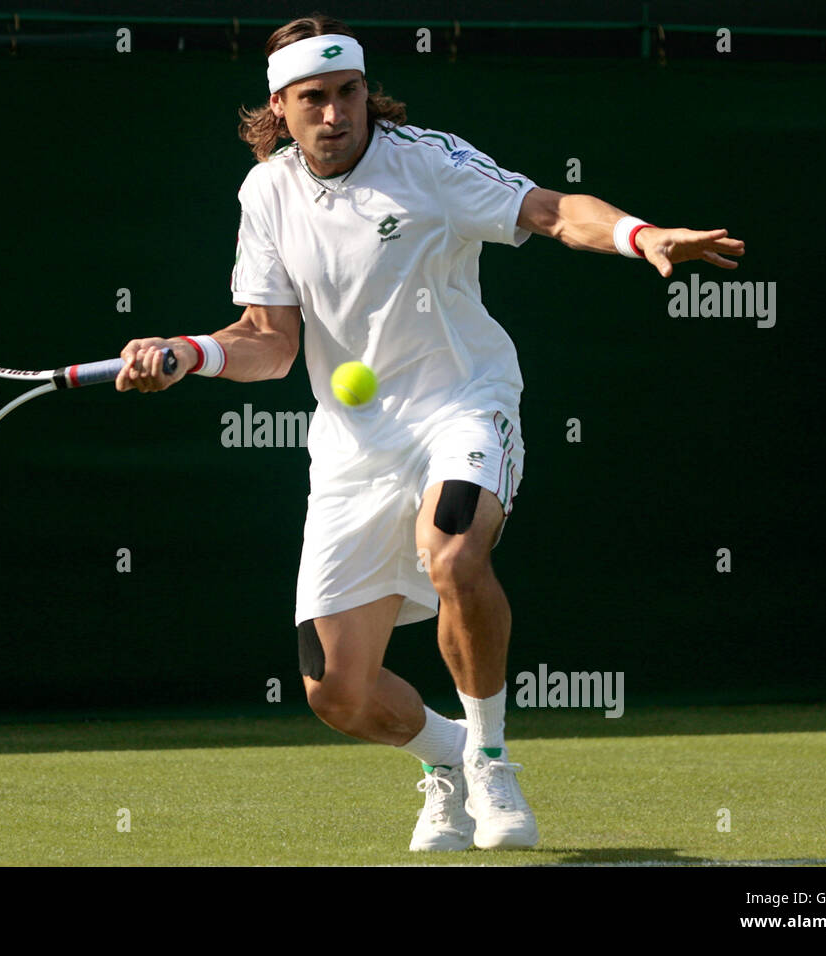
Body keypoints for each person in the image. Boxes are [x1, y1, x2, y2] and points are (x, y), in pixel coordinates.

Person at [115, 14, 744, 852]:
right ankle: (444, 756)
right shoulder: (265, 193)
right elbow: (268, 342)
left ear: (368, 92)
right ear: (280, 106)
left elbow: (553, 210)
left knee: (453, 550)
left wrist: (641, 235)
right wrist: (189, 353)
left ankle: (490, 760)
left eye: (350, 94)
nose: (338, 114)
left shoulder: (431, 163)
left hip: (463, 404)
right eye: (316, 100)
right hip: (352, 448)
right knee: (336, 691)